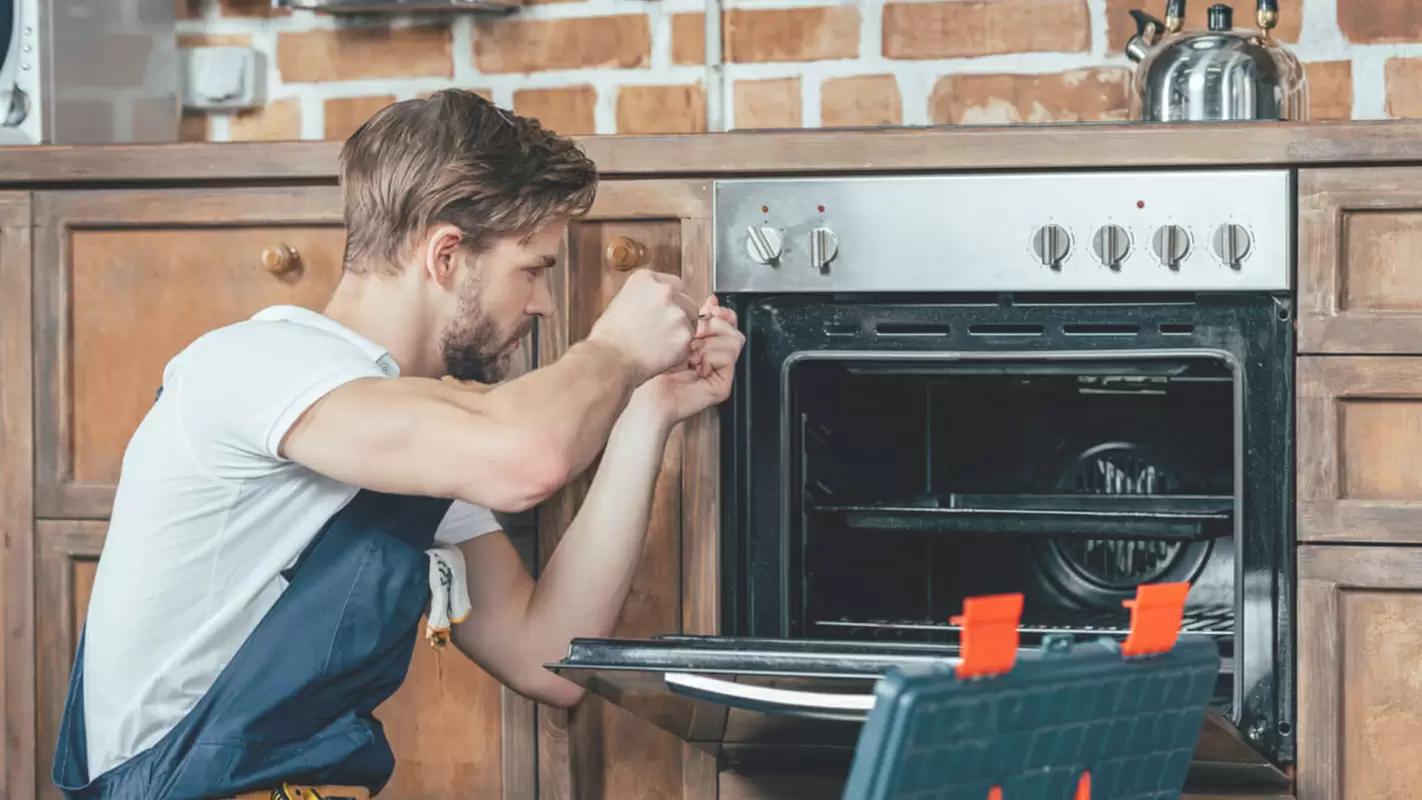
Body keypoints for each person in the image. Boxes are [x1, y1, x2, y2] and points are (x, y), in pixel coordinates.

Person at [51, 89, 745, 800]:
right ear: (446, 256)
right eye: (533, 269)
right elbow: (525, 459)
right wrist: (615, 351)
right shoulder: (256, 364)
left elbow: (546, 658)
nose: (541, 306)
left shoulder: (414, 437)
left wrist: (647, 409)